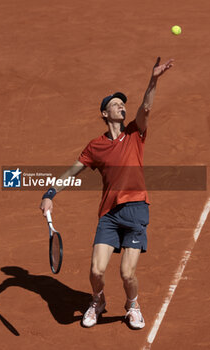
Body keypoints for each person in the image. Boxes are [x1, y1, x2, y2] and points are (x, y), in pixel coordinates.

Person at [40, 57, 174, 329]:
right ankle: (98, 301)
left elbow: (146, 106)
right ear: (104, 113)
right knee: (96, 271)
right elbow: (71, 172)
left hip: (136, 208)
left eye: (122, 103)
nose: (121, 106)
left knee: (127, 273)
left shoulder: (136, 133)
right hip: (109, 214)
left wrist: (154, 79)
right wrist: (49, 194)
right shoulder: (95, 146)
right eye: (115, 104)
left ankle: (132, 305)